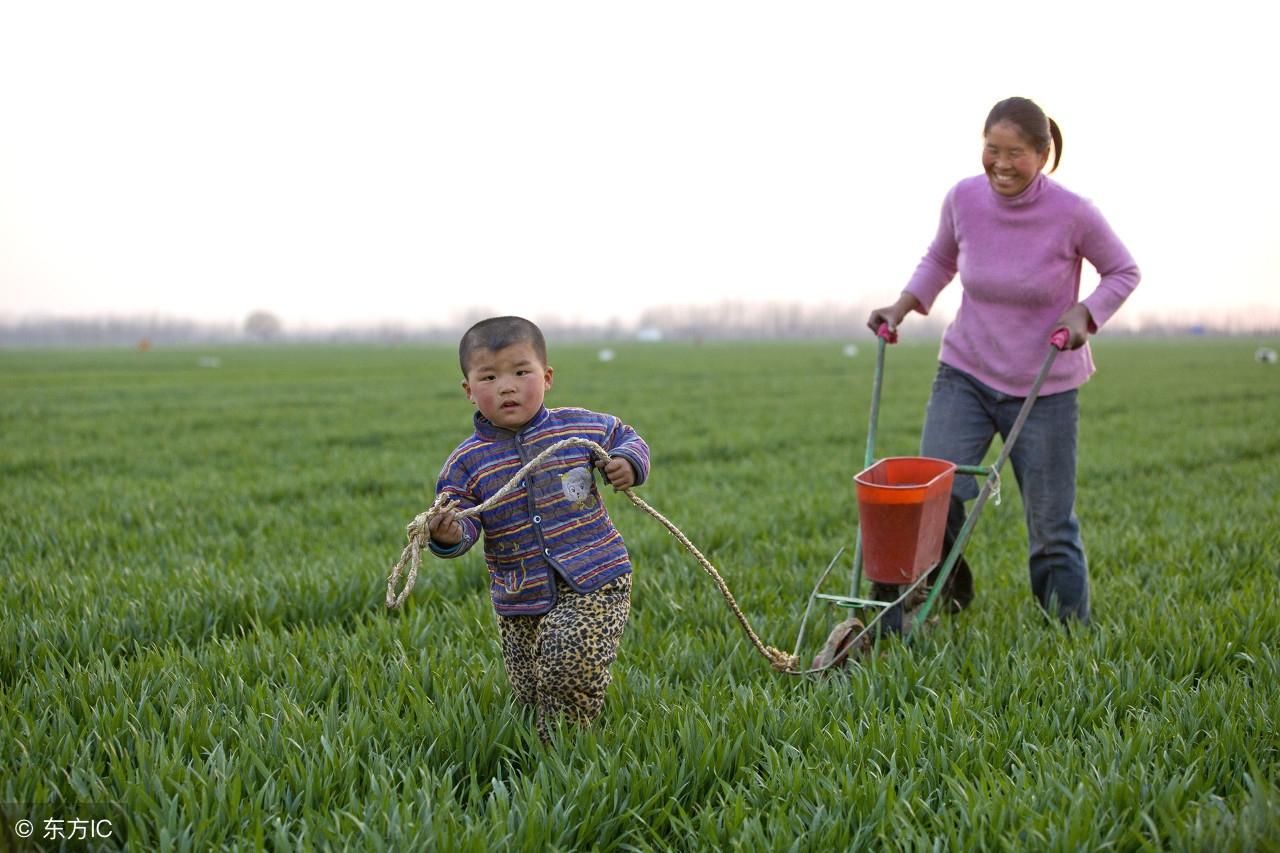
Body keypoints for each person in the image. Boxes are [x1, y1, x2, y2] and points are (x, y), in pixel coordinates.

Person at [867, 96, 1140, 628]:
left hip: (1044, 387)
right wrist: (901, 306)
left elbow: (1123, 272)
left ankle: (1067, 632)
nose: (1000, 163)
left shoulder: (1074, 213)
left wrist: (1086, 313)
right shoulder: (963, 199)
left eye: (1015, 153)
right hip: (965, 372)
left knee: (1050, 523)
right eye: (991, 150)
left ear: (1043, 154)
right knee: (931, 499)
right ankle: (928, 599)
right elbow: (942, 259)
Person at [427, 316, 650, 742]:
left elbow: (626, 436)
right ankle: (536, 740)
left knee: (569, 660)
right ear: (469, 390)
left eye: (520, 372)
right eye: (489, 377)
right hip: (519, 593)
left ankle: (565, 752)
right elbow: (464, 523)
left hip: (595, 576)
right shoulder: (466, 463)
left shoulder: (578, 427)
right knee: (530, 691)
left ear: (546, 377)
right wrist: (448, 534)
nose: (506, 386)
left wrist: (627, 463)